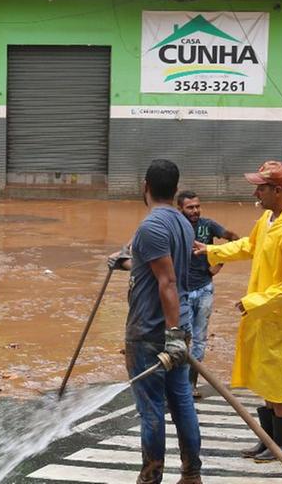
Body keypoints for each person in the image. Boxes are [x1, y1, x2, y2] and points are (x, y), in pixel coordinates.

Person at [193, 160, 282, 463]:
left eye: (260, 188)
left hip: (281, 319)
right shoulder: (268, 221)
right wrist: (210, 250)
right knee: (264, 379)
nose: (256, 193)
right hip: (266, 316)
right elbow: (249, 246)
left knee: (276, 386)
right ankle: (269, 441)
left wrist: (257, 301)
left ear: (277, 190)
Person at [107, 159, 202, 484]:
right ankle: (191, 474)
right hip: (178, 330)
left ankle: (150, 477)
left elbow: (168, 282)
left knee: (151, 411)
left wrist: (172, 335)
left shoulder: (150, 227)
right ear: (175, 190)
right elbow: (158, 265)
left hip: (151, 332)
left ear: (144, 186)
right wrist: (126, 264)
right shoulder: (183, 224)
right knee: (182, 404)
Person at [176, 190, 238, 398]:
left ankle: (191, 384)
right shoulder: (175, 227)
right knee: (181, 338)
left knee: (200, 339)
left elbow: (235, 240)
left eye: (197, 207)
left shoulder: (208, 225)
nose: (195, 211)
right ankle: (179, 385)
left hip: (204, 289)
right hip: (181, 291)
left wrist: (219, 264)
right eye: (190, 207)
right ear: (180, 209)